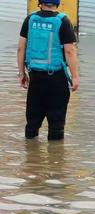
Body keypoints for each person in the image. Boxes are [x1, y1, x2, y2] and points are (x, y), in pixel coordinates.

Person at [17, 0, 79, 141]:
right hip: (57, 79)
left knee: (32, 124)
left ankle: (31, 157)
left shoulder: (30, 20)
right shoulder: (63, 21)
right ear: (58, 3)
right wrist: (74, 77)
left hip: (35, 78)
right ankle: (55, 159)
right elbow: (69, 51)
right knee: (56, 125)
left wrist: (21, 73)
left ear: (40, 3)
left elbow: (21, 48)